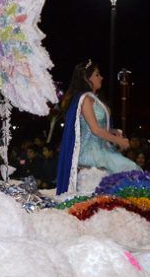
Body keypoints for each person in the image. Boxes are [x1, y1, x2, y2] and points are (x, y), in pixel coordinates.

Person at [54, 60, 139, 194]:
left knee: (130, 169)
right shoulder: (86, 99)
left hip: (102, 149)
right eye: (97, 75)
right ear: (87, 78)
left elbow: (95, 126)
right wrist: (119, 141)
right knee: (130, 167)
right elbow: (95, 129)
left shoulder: (94, 98)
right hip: (91, 151)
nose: (101, 78)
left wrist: (113, 131)